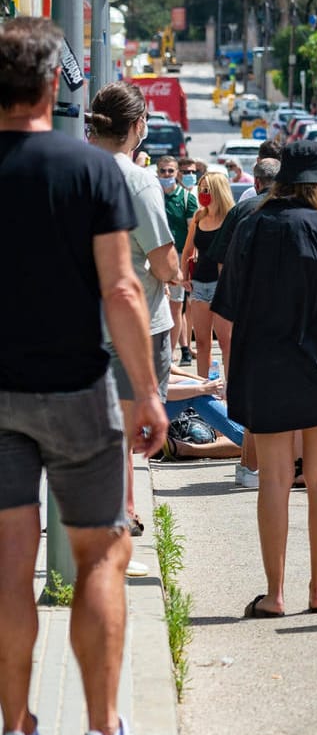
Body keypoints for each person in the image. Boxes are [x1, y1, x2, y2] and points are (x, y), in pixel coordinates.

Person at [0, 17, 167, 735]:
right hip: (75, 387)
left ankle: (17, 734)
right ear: (49, 86)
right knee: (100, 555)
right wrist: (149, 393)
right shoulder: (94, 172)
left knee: (7, 561)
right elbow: (124, 291)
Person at [212, 140, 317, 622]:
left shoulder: (250, 224)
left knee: (274, 481)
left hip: (264, 364)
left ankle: (274, 594)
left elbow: (228, 301)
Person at [84, 84, 180, 535]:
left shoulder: (70, 169)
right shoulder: (138, 179)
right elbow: (163, 261)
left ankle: (121, 509)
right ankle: (118, 514)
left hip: (76, 320)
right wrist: (177, 273)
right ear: (137, 126)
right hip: (134, 322)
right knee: (125, 428)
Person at [181, 171, 236, 379]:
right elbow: (187, 250)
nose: (202, 193)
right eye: (200, 189)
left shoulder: (231, 217)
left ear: (218, 191)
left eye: (206, 189)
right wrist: (184, 277)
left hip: (221, 286)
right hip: (199, 285)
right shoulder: (199, 216)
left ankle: (230, 392)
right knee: (202, 342)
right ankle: (203, 390)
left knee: (226, 342)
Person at [156, 154, 195, 365]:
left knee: (175, 306)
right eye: (163, 171)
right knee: (156, 302)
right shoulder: (153, 195)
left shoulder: (187, 198)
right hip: (154, 254)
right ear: (157, 172)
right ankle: (163, 353)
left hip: (178, 256)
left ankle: (170, 356)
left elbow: (192, 232)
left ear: (176, 173)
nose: (167, 175)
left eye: (171, 171)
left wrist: (187, 263)